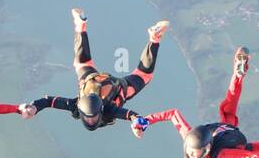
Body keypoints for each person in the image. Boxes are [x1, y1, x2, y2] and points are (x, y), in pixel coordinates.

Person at [18, 8, 168, 131]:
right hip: (97, 81)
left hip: (111, 84)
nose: (90, 120)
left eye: (92, 117)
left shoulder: (91, 108)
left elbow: (50, 101)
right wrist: (35, 107)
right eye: (91, 117)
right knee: (82, 62)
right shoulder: (86, 107)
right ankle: (80, 25)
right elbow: (130, 115)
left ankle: (155, 38)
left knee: (144, 75)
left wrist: (35, 107)